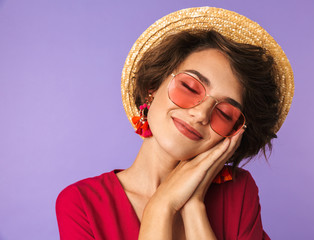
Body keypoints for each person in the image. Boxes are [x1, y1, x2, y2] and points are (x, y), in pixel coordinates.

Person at [55, 7, 294, 240]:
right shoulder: (81, 204)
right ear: (152, 88)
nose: (201, 114)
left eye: (224, 113)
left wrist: (193, 206)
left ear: (233, 134)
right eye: (189, 87)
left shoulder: (239, 192)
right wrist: (160, 208)